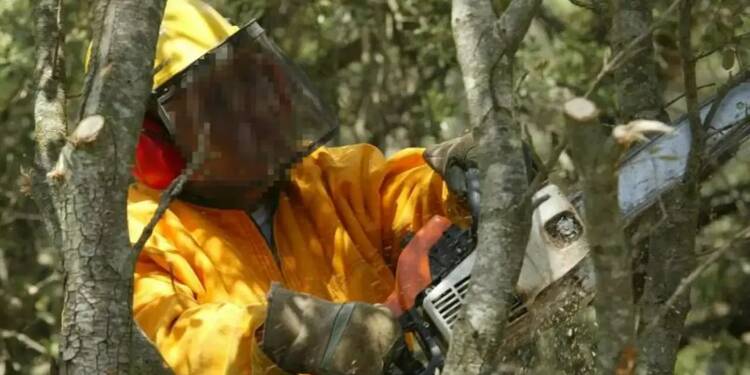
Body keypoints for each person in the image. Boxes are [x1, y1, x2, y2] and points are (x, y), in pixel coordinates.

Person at [126, 0, 477, 374]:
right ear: (158, 145)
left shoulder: (324, 180)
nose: (249, 110)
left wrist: (452, 177)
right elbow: (172, 337)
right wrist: (281, 333)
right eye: (216, 104)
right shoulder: (142, 239)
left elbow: (398, 192)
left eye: (245, 83)